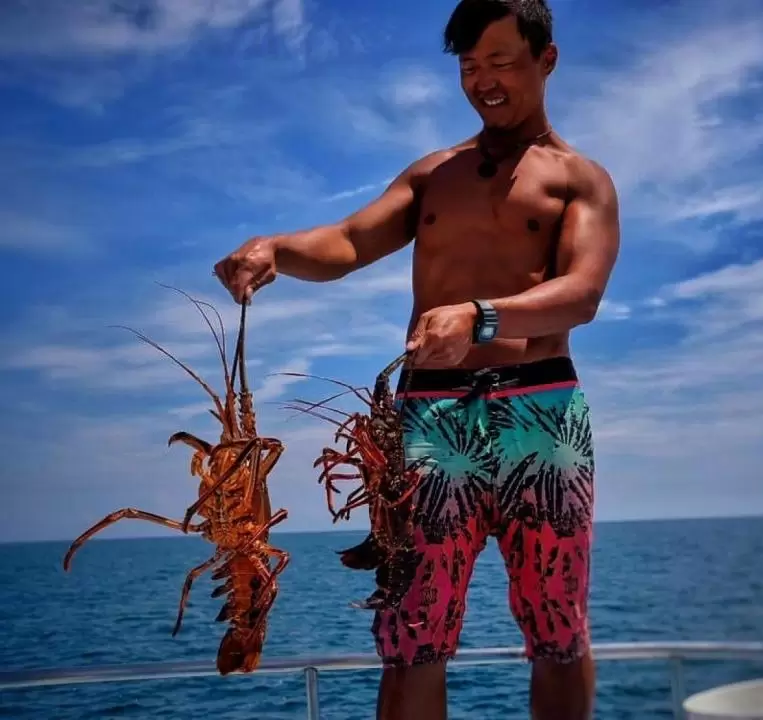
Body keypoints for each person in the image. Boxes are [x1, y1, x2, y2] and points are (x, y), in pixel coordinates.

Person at [213, 1, 619, 717]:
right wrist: (275, 247)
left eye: (501, 63)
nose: (483, 82)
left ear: (546, 60)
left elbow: (581, 294)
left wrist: (481, 316)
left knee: (558, 632)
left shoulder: (580, 180)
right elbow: (347, 240)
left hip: (543, 414)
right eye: (468, 67)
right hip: (429, 421)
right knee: (411, 637)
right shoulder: (434, 174)